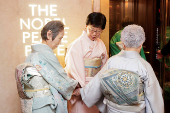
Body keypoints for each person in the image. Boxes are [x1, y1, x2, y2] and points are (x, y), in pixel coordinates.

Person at [75, 25, 164, 113]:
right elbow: (155, 96)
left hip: (112, 109)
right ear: (141, 44)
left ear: (123, 44)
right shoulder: (144, 66)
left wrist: (82, 91)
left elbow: (97, 82)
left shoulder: (111, 61)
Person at [16, 20, 78, 113]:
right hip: (44, 104)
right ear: (49, 34)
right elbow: (60, 78)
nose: (60, 42)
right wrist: (76, 84)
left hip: (34, 103)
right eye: (60, 38)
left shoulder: (33, 54)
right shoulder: (45, 54)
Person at [65, 12, 108, 113]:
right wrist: (84, 90)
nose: (94, 34)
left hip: (95, 86)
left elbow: (104, 65)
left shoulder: (101, 44)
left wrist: (98, 86)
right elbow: (73, 68)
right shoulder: (77, 45)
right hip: (82, 85)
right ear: (86, 26)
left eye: (98, 32)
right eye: (92, 30)